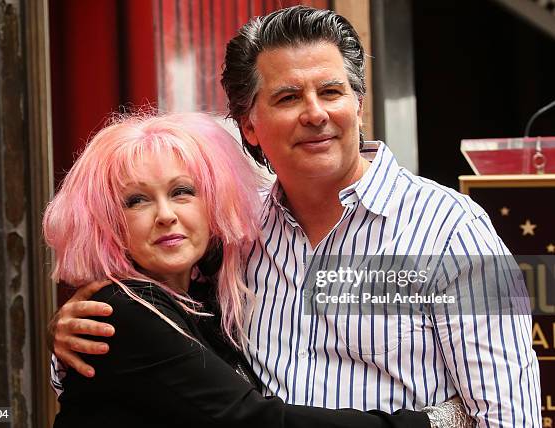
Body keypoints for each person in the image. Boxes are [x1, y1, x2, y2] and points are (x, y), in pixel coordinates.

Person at [49, 6, 540, 427]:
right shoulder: (236, 229)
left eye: (331, 92)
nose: (315, 114)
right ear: (250, 125)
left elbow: (508, 415)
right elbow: (170, 345)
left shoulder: (452, 230)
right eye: (287, 97)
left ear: (359, 105)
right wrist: (71, 341)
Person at [44, 111, 441, 426]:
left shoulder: (204, 293)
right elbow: (253, 419)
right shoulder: (123, 309)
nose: (165, 215)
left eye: (182, 192)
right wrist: (429, 424)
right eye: (137, 201)